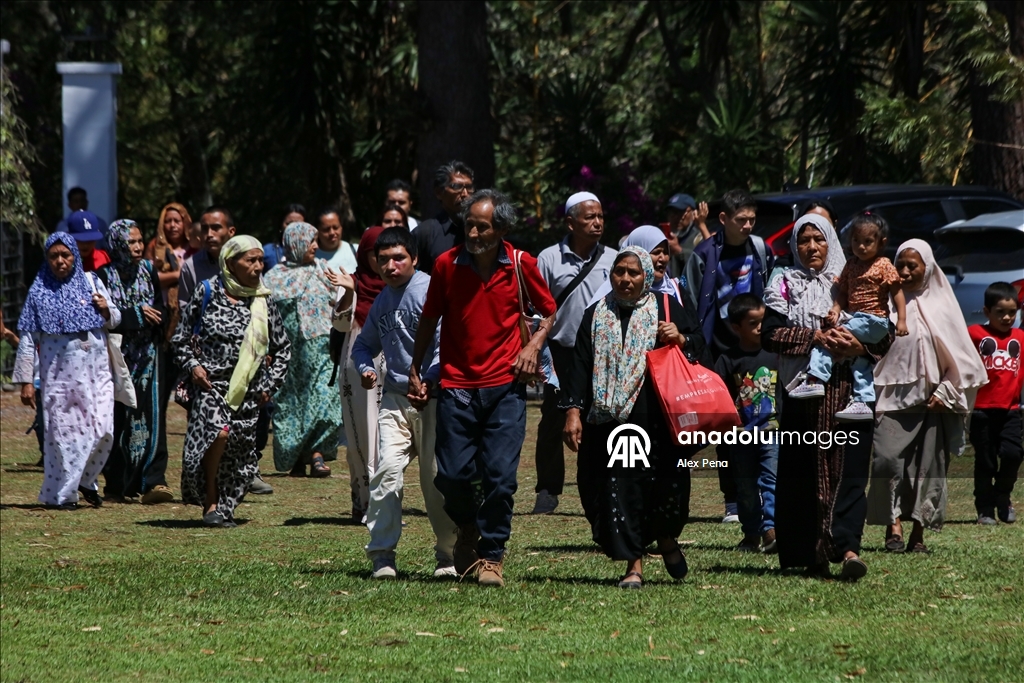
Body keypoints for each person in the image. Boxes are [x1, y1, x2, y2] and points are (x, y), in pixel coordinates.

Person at [409, 189, 556, 587]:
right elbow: (429, 319)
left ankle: (492, 555)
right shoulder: (445, 265)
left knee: (500, 477)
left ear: (502, 228)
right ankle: (467, 527)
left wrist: (532, 345)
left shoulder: (522, 264)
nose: (473, 233)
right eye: (469, 224)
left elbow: (549, 311)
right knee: (452, 475)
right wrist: (416, 368)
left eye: (482, 226)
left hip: (506, 388)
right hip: (456, 386)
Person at [561, 246, 711, 588]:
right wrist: (572, 412)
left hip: (656, 421)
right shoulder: (595, 314)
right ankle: (635, 565)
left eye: (634, 273)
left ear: (647, 276)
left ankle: (666, 539)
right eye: (619, 272)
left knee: (664, 491)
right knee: (620, 490)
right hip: (609, 422)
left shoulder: (665, 308)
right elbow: (579, 367)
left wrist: (681, 337)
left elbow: (701, 345)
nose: (625, 279)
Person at [762, 213, 890, 580]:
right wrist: (814, 338)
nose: (811, 247)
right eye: (804, 240)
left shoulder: (857, 276)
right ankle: (810, 554)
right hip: (802, 393)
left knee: (849, 473)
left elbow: (884, 332)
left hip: (851, 395)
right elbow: (770, 334)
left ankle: (848, 548)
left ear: (832, 242)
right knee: (802, 477)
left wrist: (857, 347)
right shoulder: (784, 282)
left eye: (819, 239)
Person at [867, 240, 989, 552]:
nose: (905, 272)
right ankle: (892, 524)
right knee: (886, 461)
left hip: (935, 401)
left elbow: (963, 361)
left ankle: (917, 533)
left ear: (928, 268)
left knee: (929, 468)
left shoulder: (943, 306)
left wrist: (946, 392)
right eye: (901, 265)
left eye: (913, 265)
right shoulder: (887, 304)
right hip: (891, 399)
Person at [352, 227, 458, 578]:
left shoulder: (430, 291)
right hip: (395, 399)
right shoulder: (383, 299)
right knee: (385, 473)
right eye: (383, 260)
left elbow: (447, 344)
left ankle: (448, 555)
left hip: (434, 399)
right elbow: (363, 346)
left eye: (398, 258)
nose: (391, 266)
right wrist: (367, 369)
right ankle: (382, 555)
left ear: (414, 258)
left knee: (435, 481)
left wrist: (428, 380)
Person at [172, 236, 291, 528]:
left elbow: (283, 348)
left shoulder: (263, 300)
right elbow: (180, 339)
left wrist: (268, 386)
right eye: (250, 260)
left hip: (250, 393)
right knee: (219, 434)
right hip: (211, 386)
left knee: (238, 452)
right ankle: (210, 499)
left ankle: (224, 507)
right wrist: (194, 367)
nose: (258, 266)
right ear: (230, 263)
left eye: (260, 260)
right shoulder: (208, 291)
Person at [686, 189, 774, 523]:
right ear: (723, 220)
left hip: (754, 349)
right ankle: (733, 501)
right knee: (726, 426)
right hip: (719, 350)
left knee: (761, 418)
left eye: (752, 219)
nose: (748, 226)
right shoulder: (704, 253)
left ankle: (763, 495)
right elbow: (694, 301)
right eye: (742, 220)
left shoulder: (760, 249)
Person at [14, 233, 120, 509]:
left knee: (104, 428)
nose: (60, 261)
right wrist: (26, 381)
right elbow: (27, 339)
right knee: (66, 434)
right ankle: (65, 494)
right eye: (53, 256)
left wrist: (106, 309)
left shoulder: (92, 281)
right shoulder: (38, 292)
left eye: (66, 255)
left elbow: (115, 319)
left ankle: (86, 479)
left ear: (75, 256)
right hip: (60, 375)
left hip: (97, 370)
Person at [531, 192, 617, 515]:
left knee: (597, 421)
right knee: (553, 419)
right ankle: (547, 490)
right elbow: (535, 307)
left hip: (598, 353)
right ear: (570, 222)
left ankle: (595, 486)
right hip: (559, 353)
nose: (597, 223)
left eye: (600, 217)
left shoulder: (613, 258)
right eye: (589, 218)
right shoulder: (549, 259)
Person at [789, 213, 908, 421]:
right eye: (856, 241)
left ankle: (815, 377)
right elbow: (843, 291)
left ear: (882, 243)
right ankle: (863, 399)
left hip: (874, 320)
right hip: (858, 319)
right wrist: (835, 309)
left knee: (831, 336)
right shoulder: (851, 265)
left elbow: (897, 292)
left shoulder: (884, 264)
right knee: (858, 359)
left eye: (867, 242)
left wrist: (901, 320)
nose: (861, 247)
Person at [264, 223, 352, 478]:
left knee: (326, 399)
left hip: (321, 351)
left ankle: (317, 454)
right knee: (292, 407)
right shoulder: (273, 277)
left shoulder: (323, 271)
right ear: (295, 243)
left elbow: (339, 302)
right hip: (288, 356)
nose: (315, 245)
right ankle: (297, 457)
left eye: (315, 240)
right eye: (310, 241)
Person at [95, 220, 174, 504]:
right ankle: (117, 484)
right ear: (117, 244)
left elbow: (160, 311)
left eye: (140, 240)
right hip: (116, 359)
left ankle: (155, 481)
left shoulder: (149, 270)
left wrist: (153, 317)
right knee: (118, 420)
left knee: (153, 417)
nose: (138, 247)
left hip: (149, 356)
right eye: (131, 242)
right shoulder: (102, 276)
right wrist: (136, 316)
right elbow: (103, 319)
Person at [337, 205, 406, 518]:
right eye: (375, 255)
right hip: (358, 370)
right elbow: (339, 325)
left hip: (394, 370)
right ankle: (363, 500)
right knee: (360, 436)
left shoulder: (399, 288)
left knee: (388, 437)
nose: (383, 262)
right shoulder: (351, 283)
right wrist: (350, 294)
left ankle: (383, 499)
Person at [714, 294, 779, 553]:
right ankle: (751, 533)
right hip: (740, 434)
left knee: (771, 480)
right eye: (753, 323)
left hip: (773, 431)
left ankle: (771, 530)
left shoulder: (775, 355)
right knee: (746, 486)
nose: (760, 328)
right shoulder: (728, 360)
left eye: (763, 321)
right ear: (736, 327)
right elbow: (716, 394)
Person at [968, 282, 1024, 524]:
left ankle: (1002, 495)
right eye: (1000, 312)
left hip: (1011, 411)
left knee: (1013, 454)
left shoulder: (1021, 337)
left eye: (1012, 312)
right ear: (987, 311)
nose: (1007, 317)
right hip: (981, 410)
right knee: (985, 461)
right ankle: (985, 508)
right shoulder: (974, 334)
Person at [414, 161, 475, 275]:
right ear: (439, 192)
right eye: (457, 187)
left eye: (469, 187)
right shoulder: (425, 233)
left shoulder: (480, 231)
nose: (465, 194)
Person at [144, 202, 195, 305]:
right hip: (162, 307)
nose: (172, 225)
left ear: (185, 223)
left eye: (177, 221)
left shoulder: (194, 247)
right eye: (167, 221)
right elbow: (147, 279)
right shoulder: (154, 247)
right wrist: (177, 275)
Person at [664, 193, 711, 278]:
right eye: (671, 213)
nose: (675, 217)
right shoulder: (666, 238)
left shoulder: (699, 237)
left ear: (693, 213)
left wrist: (679, 251)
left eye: (680, 212)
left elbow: (707, 261)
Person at [263, 204, 307, 271]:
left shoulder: (312, 251)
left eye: (299, 224)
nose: (294, 228)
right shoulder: (267, 251)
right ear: (281, 225)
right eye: (289, 224)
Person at [316, 206, 358, 274]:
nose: (332, 233)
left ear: (341, 227)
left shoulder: (356, 251)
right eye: (326, 229)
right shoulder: (311, 257)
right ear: (317, 231)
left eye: (335, 228)